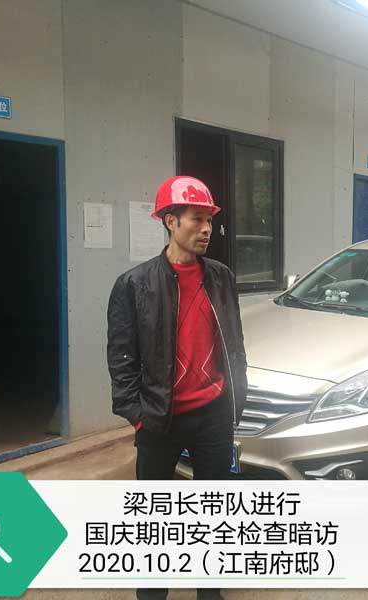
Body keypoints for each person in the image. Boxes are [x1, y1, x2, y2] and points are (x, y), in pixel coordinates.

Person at [107, 175, 248, 600]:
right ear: (170, 221)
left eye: (209, 220)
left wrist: (236, 396)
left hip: (213, 414)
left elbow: (235, 342)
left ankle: (210, 593)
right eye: (196, 219)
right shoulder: (134, 284)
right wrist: (137, 416)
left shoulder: (221, 277)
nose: (206, 229)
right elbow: (121, 358)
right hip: (159, 418)